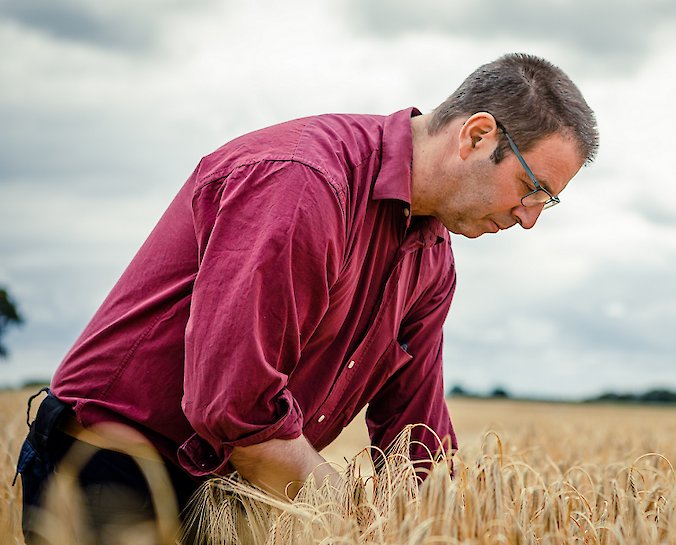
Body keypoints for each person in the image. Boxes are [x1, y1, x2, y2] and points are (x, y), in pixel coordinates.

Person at [16, 53, 598, 542]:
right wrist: (354, 518)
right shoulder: (304, 182)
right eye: (530, 188)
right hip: (113, 472)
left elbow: (414, 439)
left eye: (545, 202)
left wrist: (444, 524)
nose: (528, 221)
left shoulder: (432, 257)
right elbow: (232, 408)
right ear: (476, 136)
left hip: (233, 490)